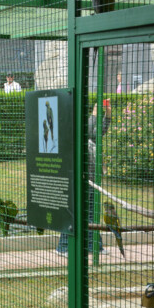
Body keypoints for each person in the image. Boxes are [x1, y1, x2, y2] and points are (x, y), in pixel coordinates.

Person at [56, 103, 110, 256]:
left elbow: (101, 129)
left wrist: (108, 111)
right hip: (75, 181)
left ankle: (95, 246)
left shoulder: (89, 137)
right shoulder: (70, 132)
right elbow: (86, 130)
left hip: (91, 181)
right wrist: (94, 113)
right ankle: (64, 246)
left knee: (91, 213)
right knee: (73, 213)